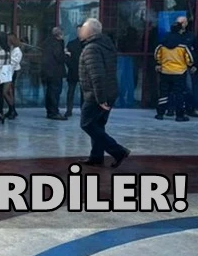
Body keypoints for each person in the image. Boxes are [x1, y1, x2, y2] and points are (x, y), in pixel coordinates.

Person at [78, 18, 131, 168]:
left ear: (90, 32)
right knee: (98, 125)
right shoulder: (106, 45)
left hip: (96, 95)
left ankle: (118, 151)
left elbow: (97, 75)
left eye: (83, 28)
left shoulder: (92, 48)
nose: (80, 31)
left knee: (87, 124)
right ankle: (96, 157)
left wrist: (100, 99)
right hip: (109, 91)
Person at [154, 22, 194, 122]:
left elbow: (157, 55)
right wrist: (190, 65)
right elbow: (189, 59)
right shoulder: (183, 44)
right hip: (179, 72)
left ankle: (160, 114)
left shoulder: (163, 43)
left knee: (163, 93)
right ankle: (180, 116)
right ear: (180, 30)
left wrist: (159, 63)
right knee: (179, 94)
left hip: (165, 71)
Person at [172, 16, 198, 118]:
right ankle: (171, 109)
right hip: (173, 65)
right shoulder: (171, 36)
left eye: (182, 22)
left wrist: (195, 64)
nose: (180, 24)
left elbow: (196, 51)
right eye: (178, 22)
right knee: (172, 89)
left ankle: (189, 109)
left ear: (186, 23)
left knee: (188, 88)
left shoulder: (191, 36)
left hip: (186, 66)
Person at [42, 27, 68, 120]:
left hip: (48, 71)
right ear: (59, 35)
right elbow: (59, 57)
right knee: (55, 92)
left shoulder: (47, 42)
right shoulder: (57, 43)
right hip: (55, 71)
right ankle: (54, 112)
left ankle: (50, 111)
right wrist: (66, 55)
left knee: (50, 91)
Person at [65, 25, 84, 118]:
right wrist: (71, 66)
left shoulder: (87, 44)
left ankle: (83, 110)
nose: (79, 33)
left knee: (84, 93)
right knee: (71, 92)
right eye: (78, 31)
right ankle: (69, 110)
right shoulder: (71, 44)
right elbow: (67, 58)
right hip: (73, 71)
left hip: (84, 72)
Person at [5, 33, 23, 120]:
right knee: (8, 92)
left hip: (12, 72)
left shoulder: (17, 51)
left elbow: (14, 63)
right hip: (9, 72)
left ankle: (12, 109)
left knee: (8, 91)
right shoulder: (11, 49)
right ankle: (11, 109)